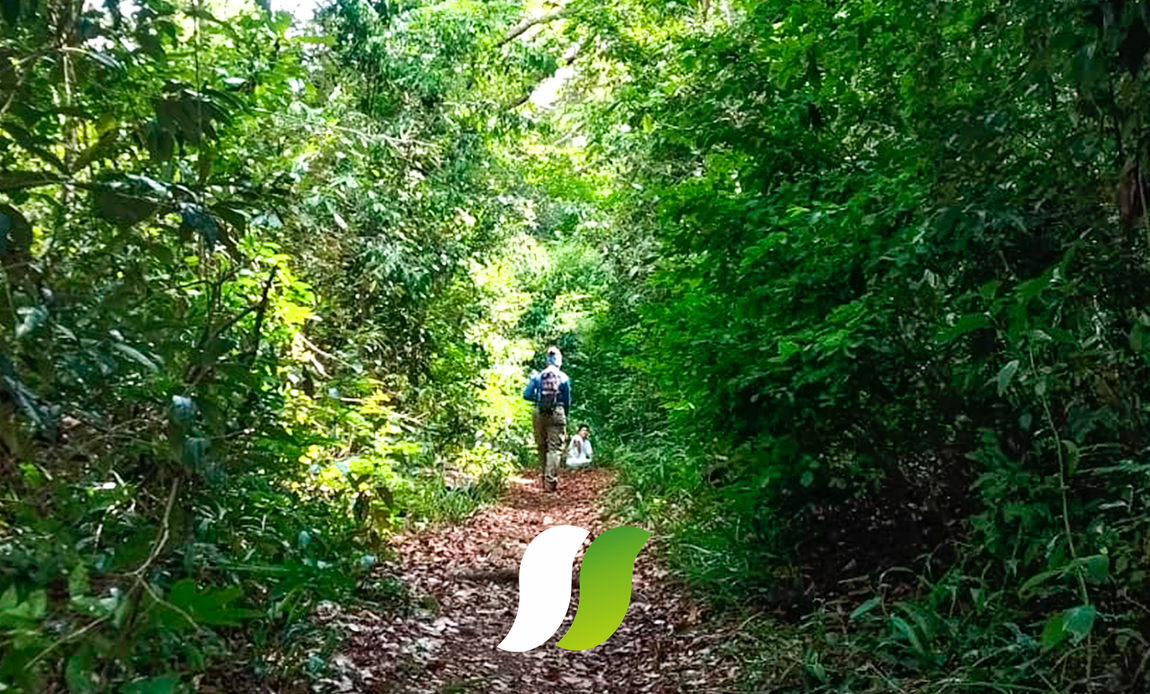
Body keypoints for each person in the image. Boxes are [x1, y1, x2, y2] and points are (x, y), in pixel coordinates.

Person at [522, 346, 570, 493]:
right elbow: (567, 400)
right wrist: (564, 414)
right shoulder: (563, 377)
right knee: (554, 449)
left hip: (538, 412)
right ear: (559, 361)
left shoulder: (538, 377)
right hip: (557, 411)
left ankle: (543, 480)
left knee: (542, 446)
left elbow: (526, 394)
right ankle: (550, 484)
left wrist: (539, 400)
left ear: (547, 361)